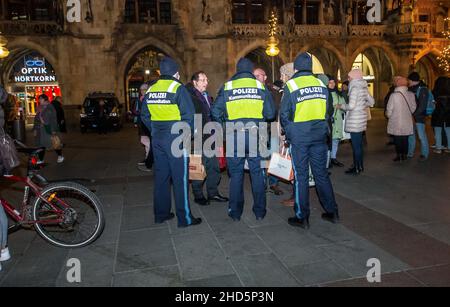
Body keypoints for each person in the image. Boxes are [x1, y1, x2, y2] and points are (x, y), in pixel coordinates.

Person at [140, 57, 202, 228]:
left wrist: (154, 129)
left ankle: (161, 214)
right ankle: (185, 218)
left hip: (158, 138)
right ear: (175, 73)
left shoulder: (151, 89)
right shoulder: (177, 88)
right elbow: (189, 116)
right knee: (180, 178)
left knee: (161, 177)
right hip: (175, 137)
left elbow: (144, 114)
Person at [280, 53, 339, 229]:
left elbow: (284, 115)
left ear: (296, 68)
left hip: (300, 138)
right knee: (321, 175)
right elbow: (329, 111)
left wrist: (291, 132)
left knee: (301, 176)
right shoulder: (321, 84)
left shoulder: (291, 85)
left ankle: (302, 216)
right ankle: (332, 212)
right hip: (320, 137)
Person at [212, 58, 275, 222]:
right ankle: (260, 212)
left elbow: (215, 111)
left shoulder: (228, 86)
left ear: (237, 70)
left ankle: (235, 212)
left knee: (236, 175)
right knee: (257, 174)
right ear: (250, 70)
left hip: (234, 135)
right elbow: (270, 114)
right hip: (256, 134)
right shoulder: (260, 86)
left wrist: (225, 125)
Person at [186, 71, 228, 206]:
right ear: (195, 82)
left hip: (211, 136)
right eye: (203, 80)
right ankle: (198, 195)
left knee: (213, 166)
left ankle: (213, 193)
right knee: (198, 166)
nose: (206, 82)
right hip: (198, 137)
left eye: (206, 80)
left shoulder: (207, 96)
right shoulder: (189, 97)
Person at [337, 69, 375, 175]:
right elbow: (372, 102)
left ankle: (357, 168)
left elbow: (351, 106)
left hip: (355, 121)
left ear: (354, 77)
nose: (348, 79)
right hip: (361, 119)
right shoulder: (363, 86)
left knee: (356, 146)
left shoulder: (354, 87)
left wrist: (341, 106)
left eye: (349, 77)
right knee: (359, 145)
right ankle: (360, 166)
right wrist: (362, 105)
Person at [253, 68, 283, 196]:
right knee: (263, 158)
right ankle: (263, 183)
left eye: (259, 75)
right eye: (254, 76)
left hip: (274, 128)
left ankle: (273, 183)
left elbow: (278, 110)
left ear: (265, 77)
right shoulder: (251, 92)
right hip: (260, 130)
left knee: (275, 157)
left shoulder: (273, 92)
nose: (256, 78)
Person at [386, 76, 417, 162]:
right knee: (405, 138)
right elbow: (414, 108)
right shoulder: (411, 94)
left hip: (396, 120)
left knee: (397, 139)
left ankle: (399, 155)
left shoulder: (394, 95)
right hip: (407, 120)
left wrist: (389, 115)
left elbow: (389, 109)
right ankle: (404, 155)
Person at [34, 94, 64, 163]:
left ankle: (60, 155)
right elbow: (36, 119)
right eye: (39, 99)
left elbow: (53, 119)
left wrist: (53, 130)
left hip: (48, 129)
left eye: (40, 99)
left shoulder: (50, 107)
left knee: (53, 144)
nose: (39, 100)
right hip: (40, 130)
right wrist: (35, 128)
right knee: (41, 145)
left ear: (45, 99)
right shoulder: (39, 108)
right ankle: (41, 159)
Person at [407, 72, 430, 161]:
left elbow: (422, 106)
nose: (408, 81)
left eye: (409, 80)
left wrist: (414, 115)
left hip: (419, 117)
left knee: (421, 136)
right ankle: (410, 152)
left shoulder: (423, 89)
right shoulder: (410, 89)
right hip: (411, 117)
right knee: (411, 136)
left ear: (412, 80)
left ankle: (424, 154)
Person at [134, 83, 154, 172]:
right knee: (144, 141)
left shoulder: (149, 98)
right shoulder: (139, 99)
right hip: (141, 123)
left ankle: (149, 160)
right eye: (142, 90)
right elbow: (135, 110)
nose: (143, 91)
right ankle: (147, 158)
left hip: (147, 124)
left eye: (145, 89)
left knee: (148, 142)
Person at [328, 75, 346, 167]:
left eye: (333, 82)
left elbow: (344, 107)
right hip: (328, 121)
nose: (332, 84)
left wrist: (341, 106)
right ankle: (327, 160)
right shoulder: (325, 93)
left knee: (335, 140)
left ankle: (333, 157)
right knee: (328, 140)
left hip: (337, 119)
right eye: (330, 82)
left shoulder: (338, 94)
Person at [431, 76, 450, 154]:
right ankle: (449, 147)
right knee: (449, 131)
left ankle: (438, 148)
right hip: (449, 115)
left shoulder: (435, 93)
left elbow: (432, 104)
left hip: (438, 115)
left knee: (437, 131)